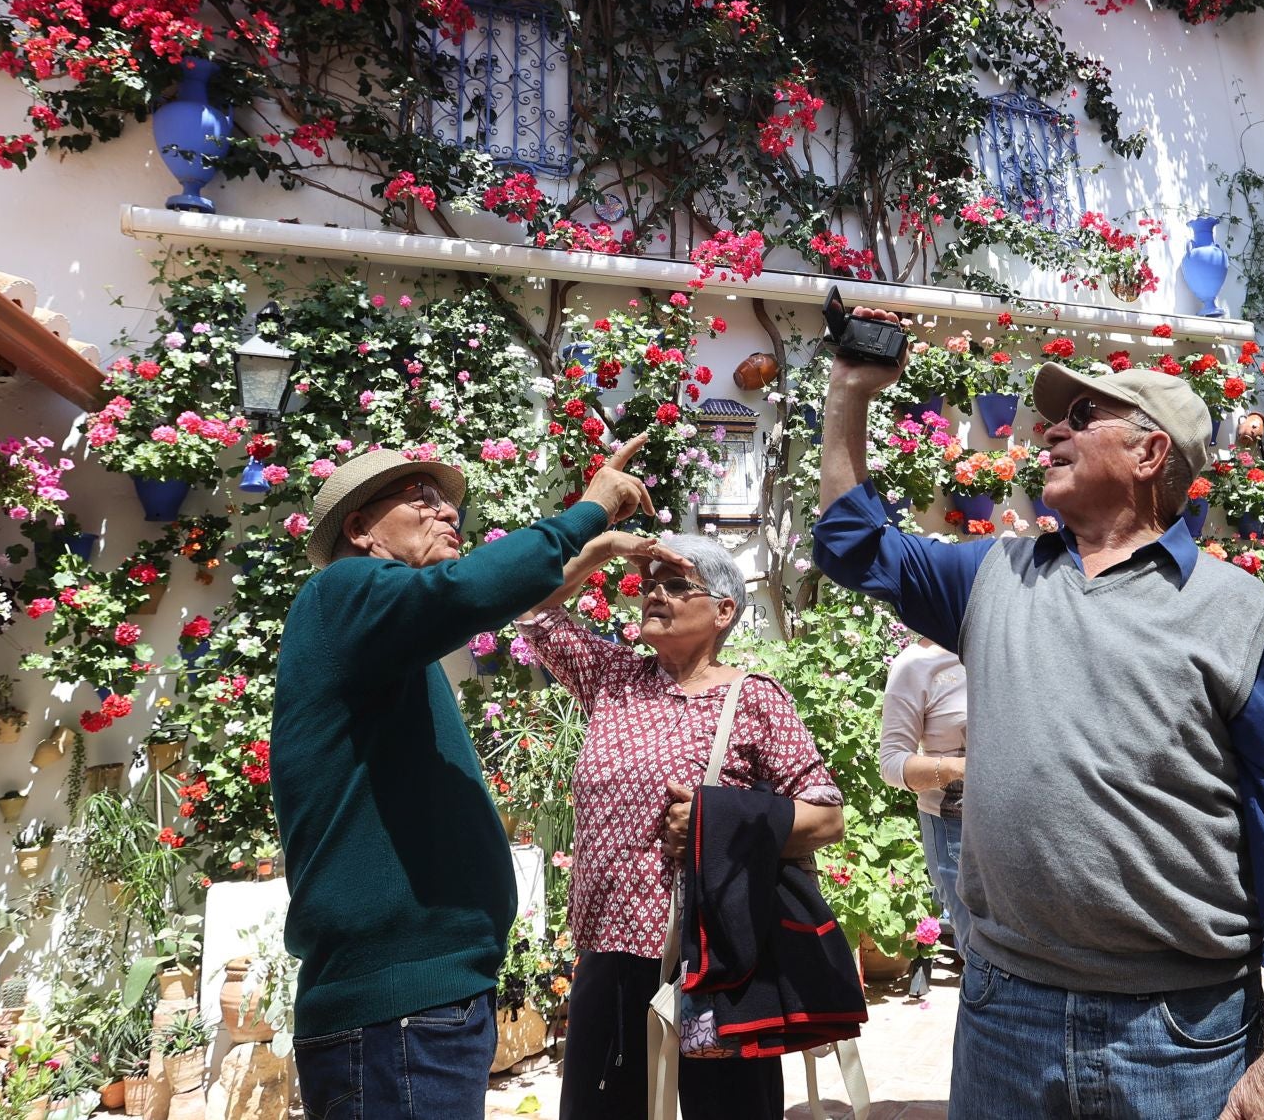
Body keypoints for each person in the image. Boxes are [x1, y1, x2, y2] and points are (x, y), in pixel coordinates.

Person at [812, 308, 1264, 1120]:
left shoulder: (1240, 616)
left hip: (1180, 1029)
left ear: (1149, 452)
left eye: (1080, 416)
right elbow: (851, 541)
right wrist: (850, 390)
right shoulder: (993, 575)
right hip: (1005, 1012)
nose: (1047, 432)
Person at [272, 435, 653, 1120]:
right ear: (359, 528)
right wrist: (589, 510)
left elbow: (475, 601)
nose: (448, 510)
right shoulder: (343, 589)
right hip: (399, 1013)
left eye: (449, 499)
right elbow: (467, 591)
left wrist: (583, 556)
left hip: (419, 1004)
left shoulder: (379, 634)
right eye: (420, 497)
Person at [515, 534, 846, 1120]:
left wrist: (715, 821)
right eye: (649, 585)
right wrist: (604, 548)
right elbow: (535, 608)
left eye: (675, 586)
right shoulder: (613, 680)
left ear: (723, 611)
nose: (654, 596)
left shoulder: (754, 699)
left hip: (709, 960)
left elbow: (825, 815)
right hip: (607, 958)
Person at [879, 636, 971, 952]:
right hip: (958, 831)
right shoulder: (918, 663)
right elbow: (891, 763)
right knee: (983, 962)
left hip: (1028, 824)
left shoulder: (1013, 636)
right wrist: (963, 768)